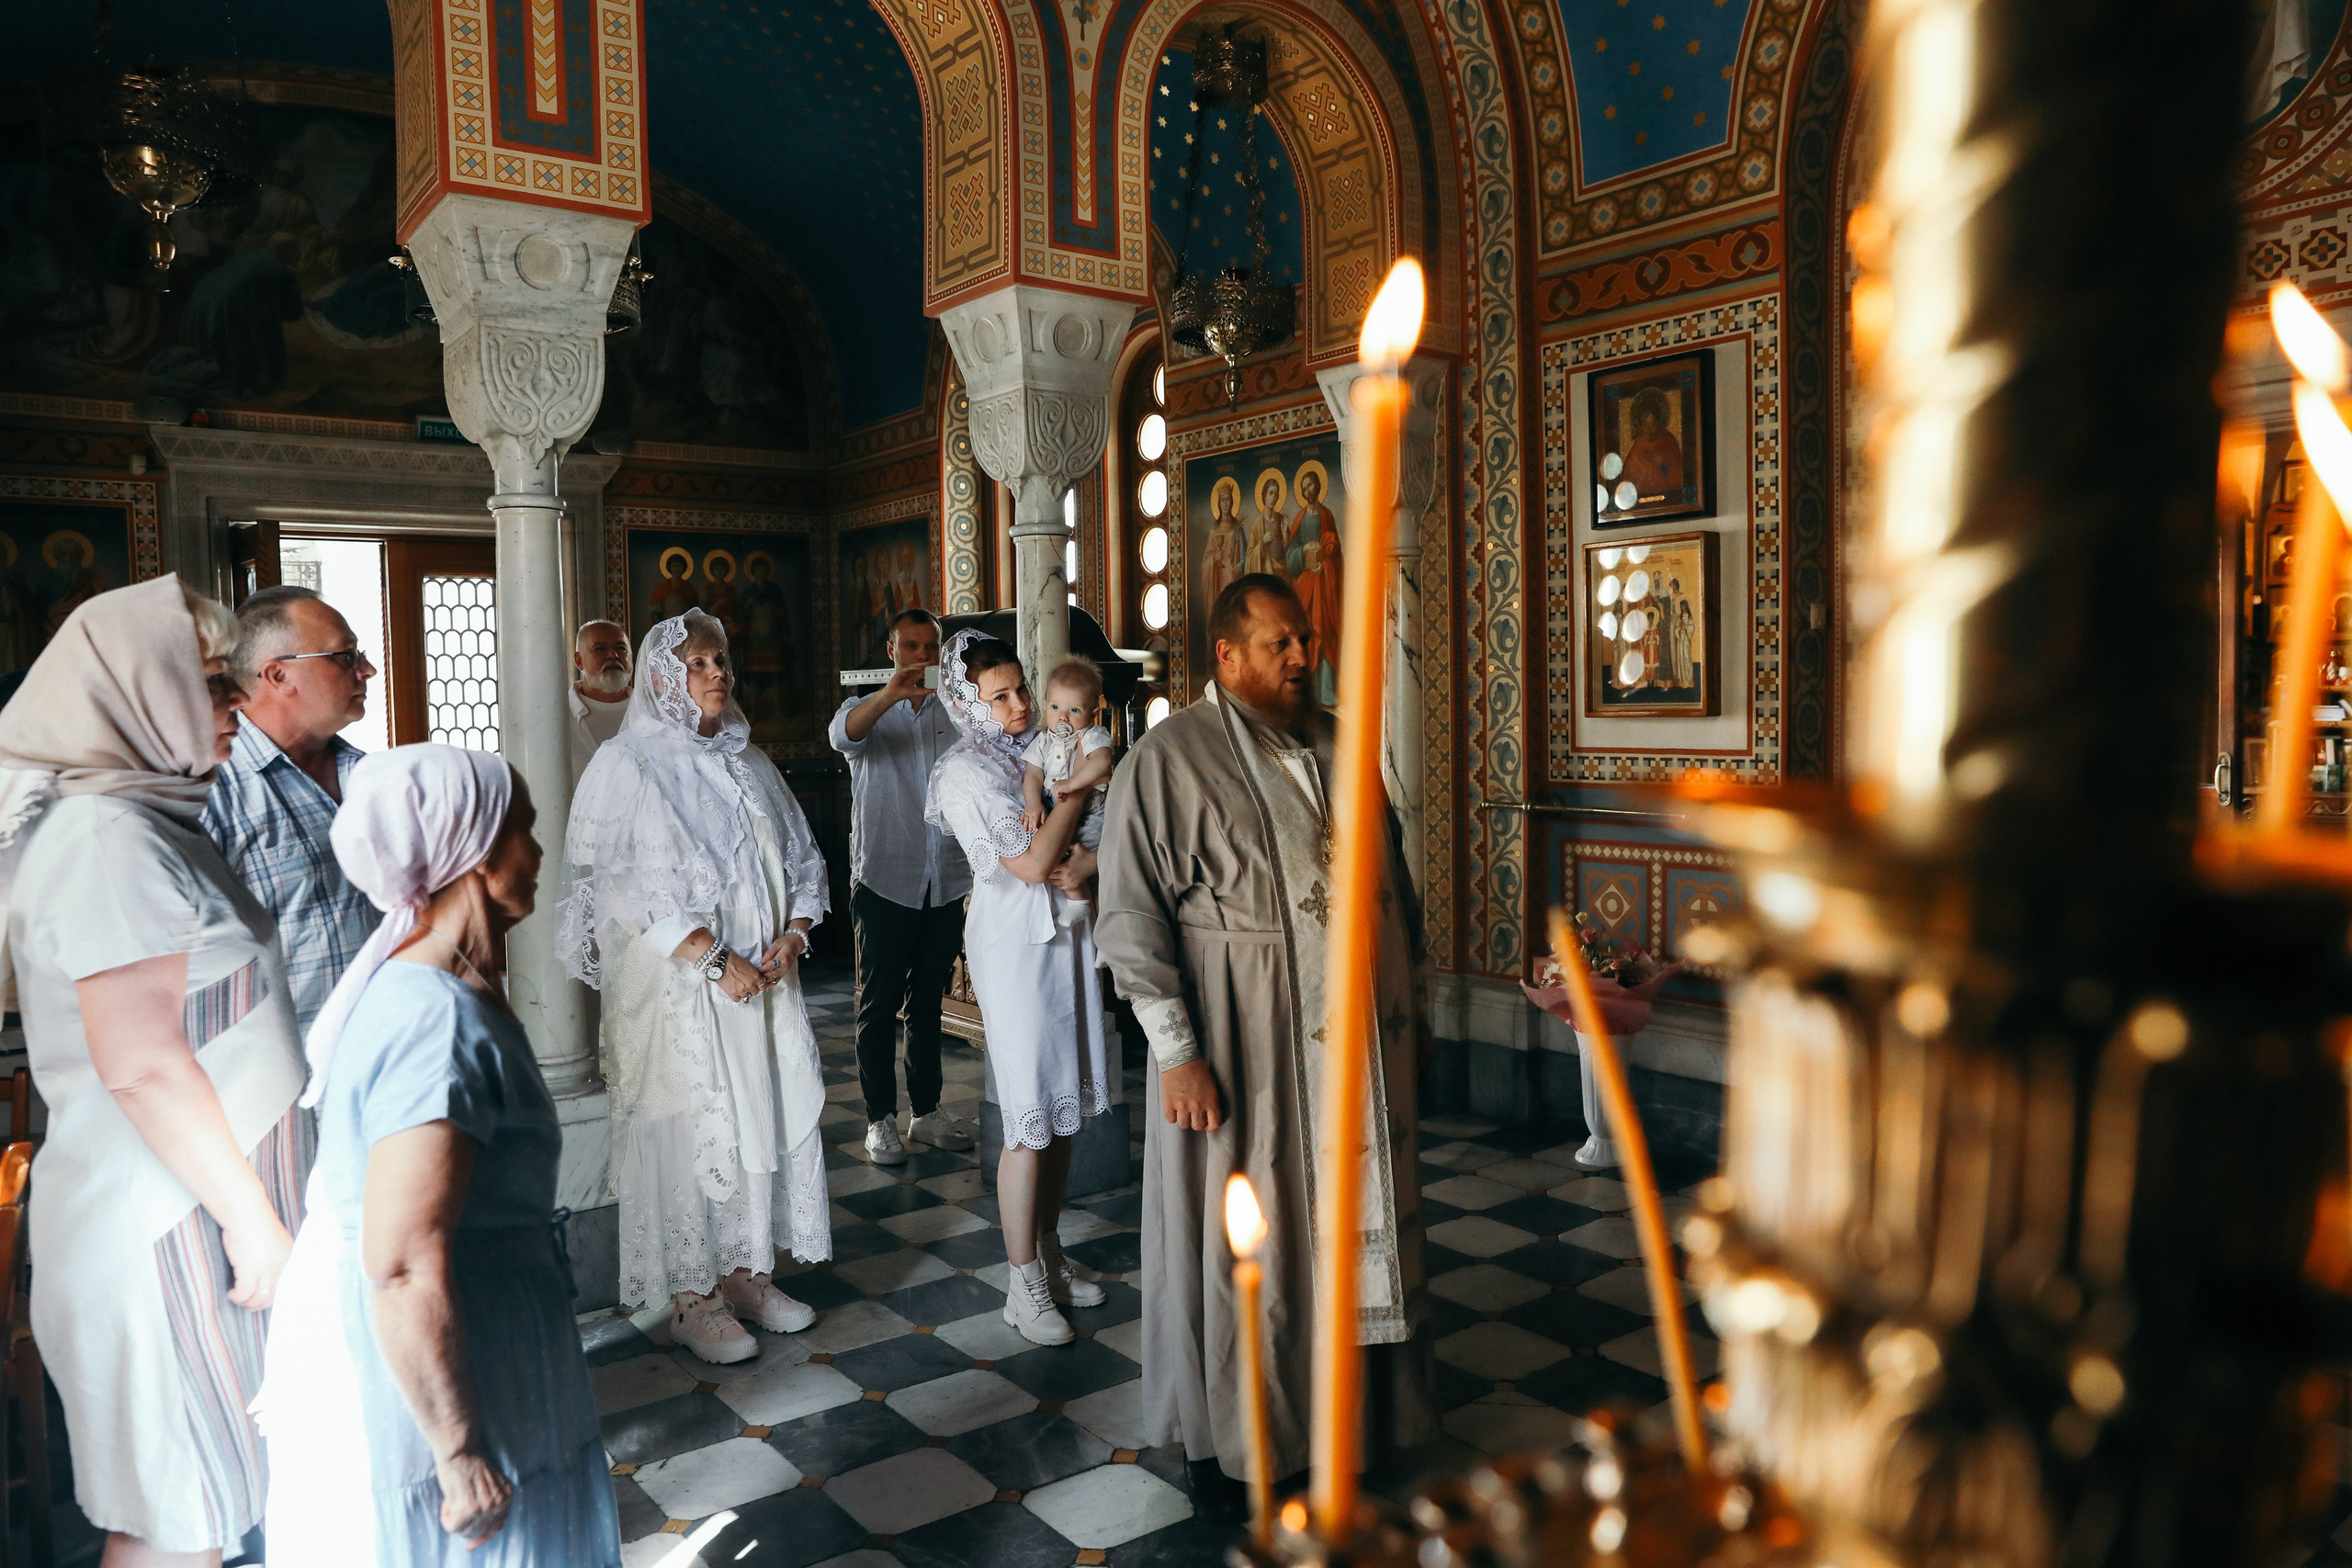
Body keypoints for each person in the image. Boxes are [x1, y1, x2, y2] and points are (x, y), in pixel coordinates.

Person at [1096, 572, 1432, 1496]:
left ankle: (1365, 1422)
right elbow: (1130, 919)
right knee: (1265, 1236)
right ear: (1226, 653)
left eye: (1307, 639)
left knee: (1362, 1224)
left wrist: (1416, 1021)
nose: (1302, 655)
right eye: (1280, 642)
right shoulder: (1169, 759)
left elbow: (1392, 890)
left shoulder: (1338, 741)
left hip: (1358, 1047)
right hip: (1247, 1044)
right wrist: (1178, 1053)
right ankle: (1263, 1432)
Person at [0, 576, 309, 1564]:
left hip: (196, 1213)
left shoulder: (143, 819)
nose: (234, 705)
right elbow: (142, 1065)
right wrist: (254, 1224)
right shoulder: (104, 838)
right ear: (138, 692)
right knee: (181, 1527)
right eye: (210, 683)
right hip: (169, 1221)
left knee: (209, 1507)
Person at [258, 745, 621, 1568]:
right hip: (448, 1357)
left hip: (491, 1330)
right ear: (477, 854)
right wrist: (458, 1454)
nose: (537, 850)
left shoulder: (442, 986)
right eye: (522, 829)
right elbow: (404, 1262)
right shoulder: (433, 1018)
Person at [561, 610, 831, 1364]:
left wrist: (795, 933)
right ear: (661, 679)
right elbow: (621, 895)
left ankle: (745, 1271)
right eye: (701, 663)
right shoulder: (629, 765)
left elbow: (805, 861)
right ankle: (690, 1295)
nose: (719, 673)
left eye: (723, 661)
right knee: (689, 1125)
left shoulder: (749, 763)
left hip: (762, 984)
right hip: (681, 993)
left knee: (758, 1111)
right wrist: (715, 960)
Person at [925, 630, 1114, 1345]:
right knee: (1029, 1117)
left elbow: (1087, 829)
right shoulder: (963, 772)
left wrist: (1087, 846)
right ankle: (1021, 1284)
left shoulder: (1045, 740)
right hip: (1012, 943)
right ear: (967, 702)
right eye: (998, 695)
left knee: (1063, 1114)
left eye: (1020, 689)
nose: (1018, 705)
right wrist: (1079, 785)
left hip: (1065, 935)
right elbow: (1032, 862)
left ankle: (1052, 1254)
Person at [830, 607, 977, 1167]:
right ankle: (878, 1120)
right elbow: (842, 735)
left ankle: (927, 1111)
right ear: (892, 649)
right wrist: (892, 693)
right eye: (911, 646)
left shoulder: (956, 709)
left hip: (944, 877)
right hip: (885, 876)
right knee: (879, 1002)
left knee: (929, 1003)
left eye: (931, 648)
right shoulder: (865, 708)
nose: (923, 657)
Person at [205, 583, 383, 1034]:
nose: (367, 669)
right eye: (345, 656)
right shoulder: (212, 792)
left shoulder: (372, 778)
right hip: (283, 1083)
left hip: (393, 1062)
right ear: (279, 676)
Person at [1020, 657, 1115, 930]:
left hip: (1094, 810)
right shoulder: (1043, 740)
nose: (1063, 717)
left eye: (1074, 709)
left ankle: (1105, 930)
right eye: (1055, 707)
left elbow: (1100, 762)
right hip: (1055, 807)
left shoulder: (1090, 735)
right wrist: (1033, 804)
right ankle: (1078, 901)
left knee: (1091, 861)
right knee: (1058, 851)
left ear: (1092, 713)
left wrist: (1073, 784)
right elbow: (1033, 775)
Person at [570, 618, 633, 783]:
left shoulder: (653, 712)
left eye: (621, 648)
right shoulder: (557, 716)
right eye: (600, 649)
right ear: (579, 661)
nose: (613, 655)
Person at [1622, 388, 1685, 495]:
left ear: (1656, 415)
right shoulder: (1640, 442)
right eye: (1642, 417)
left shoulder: (1668, 439)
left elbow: (1676, 471)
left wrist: (1659, 464)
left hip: (1665, 493)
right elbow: (1628, 473)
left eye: (1647, 415)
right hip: (1642, 494)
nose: (1645, 420)